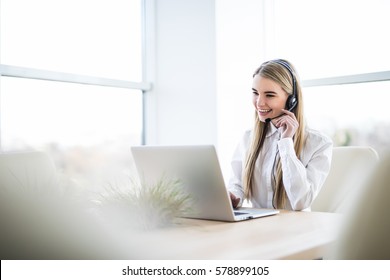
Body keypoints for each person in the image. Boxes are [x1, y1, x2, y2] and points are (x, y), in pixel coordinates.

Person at [228, 59, 332, 211]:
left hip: (296, 230)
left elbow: (301, 202)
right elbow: (237, 185)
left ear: (292, 100)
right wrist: (233, 197)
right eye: (255, 93)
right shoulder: (248, 138)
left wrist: (286, 143)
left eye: (269, 95)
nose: (259, 103)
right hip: (258, 227)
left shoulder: (319, 144)